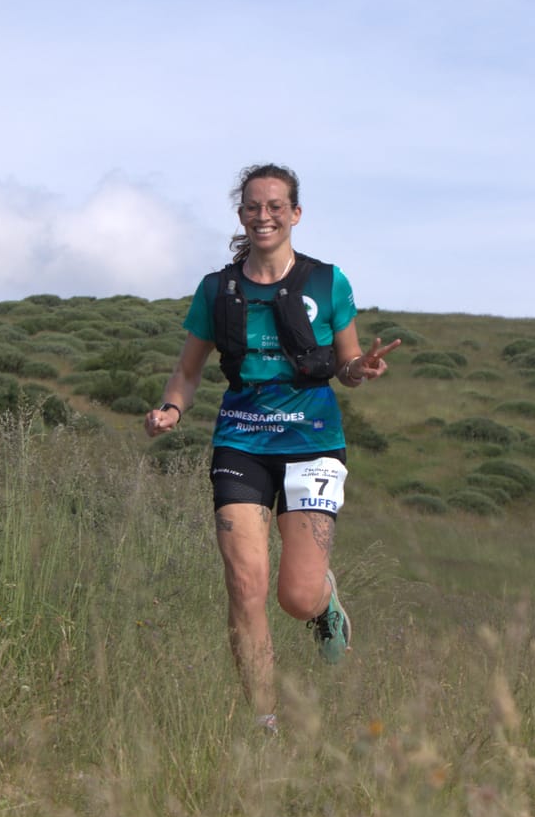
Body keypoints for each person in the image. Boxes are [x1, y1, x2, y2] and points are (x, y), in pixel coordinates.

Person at [144, 163, 398, 729]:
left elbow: (346, 366)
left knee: (296, 597)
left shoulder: (327, 282)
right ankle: (263, 724)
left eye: (276, 207)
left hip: (314, 443)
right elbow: (187, 372)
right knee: (245, 584)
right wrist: (170, 409)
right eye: (254, 207)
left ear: (295, 215)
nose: (264, 216)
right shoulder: (217, 290)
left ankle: (323, 605)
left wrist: (362, 369)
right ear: (241, 215)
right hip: (241, 442)